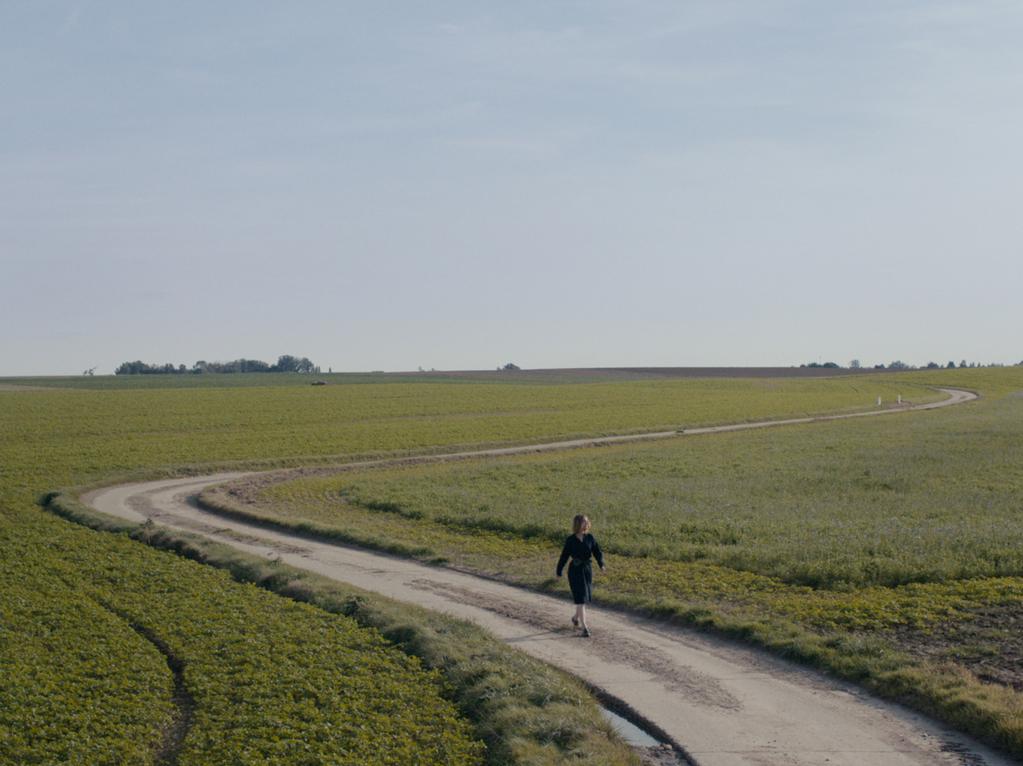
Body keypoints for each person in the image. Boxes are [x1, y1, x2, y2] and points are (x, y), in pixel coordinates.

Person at [556, 514, 605, 637]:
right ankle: (584, 628)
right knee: (581, 599)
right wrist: (559, 570)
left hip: (587, 570)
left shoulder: (590, 538)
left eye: (587, 521)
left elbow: (597, 552)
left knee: (582, 599)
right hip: (575, 571)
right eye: (584, 521)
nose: (586, 523)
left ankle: (575, 618)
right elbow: (564, 556)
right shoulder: (571, 540)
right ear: (578, 524)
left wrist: (601, 564)